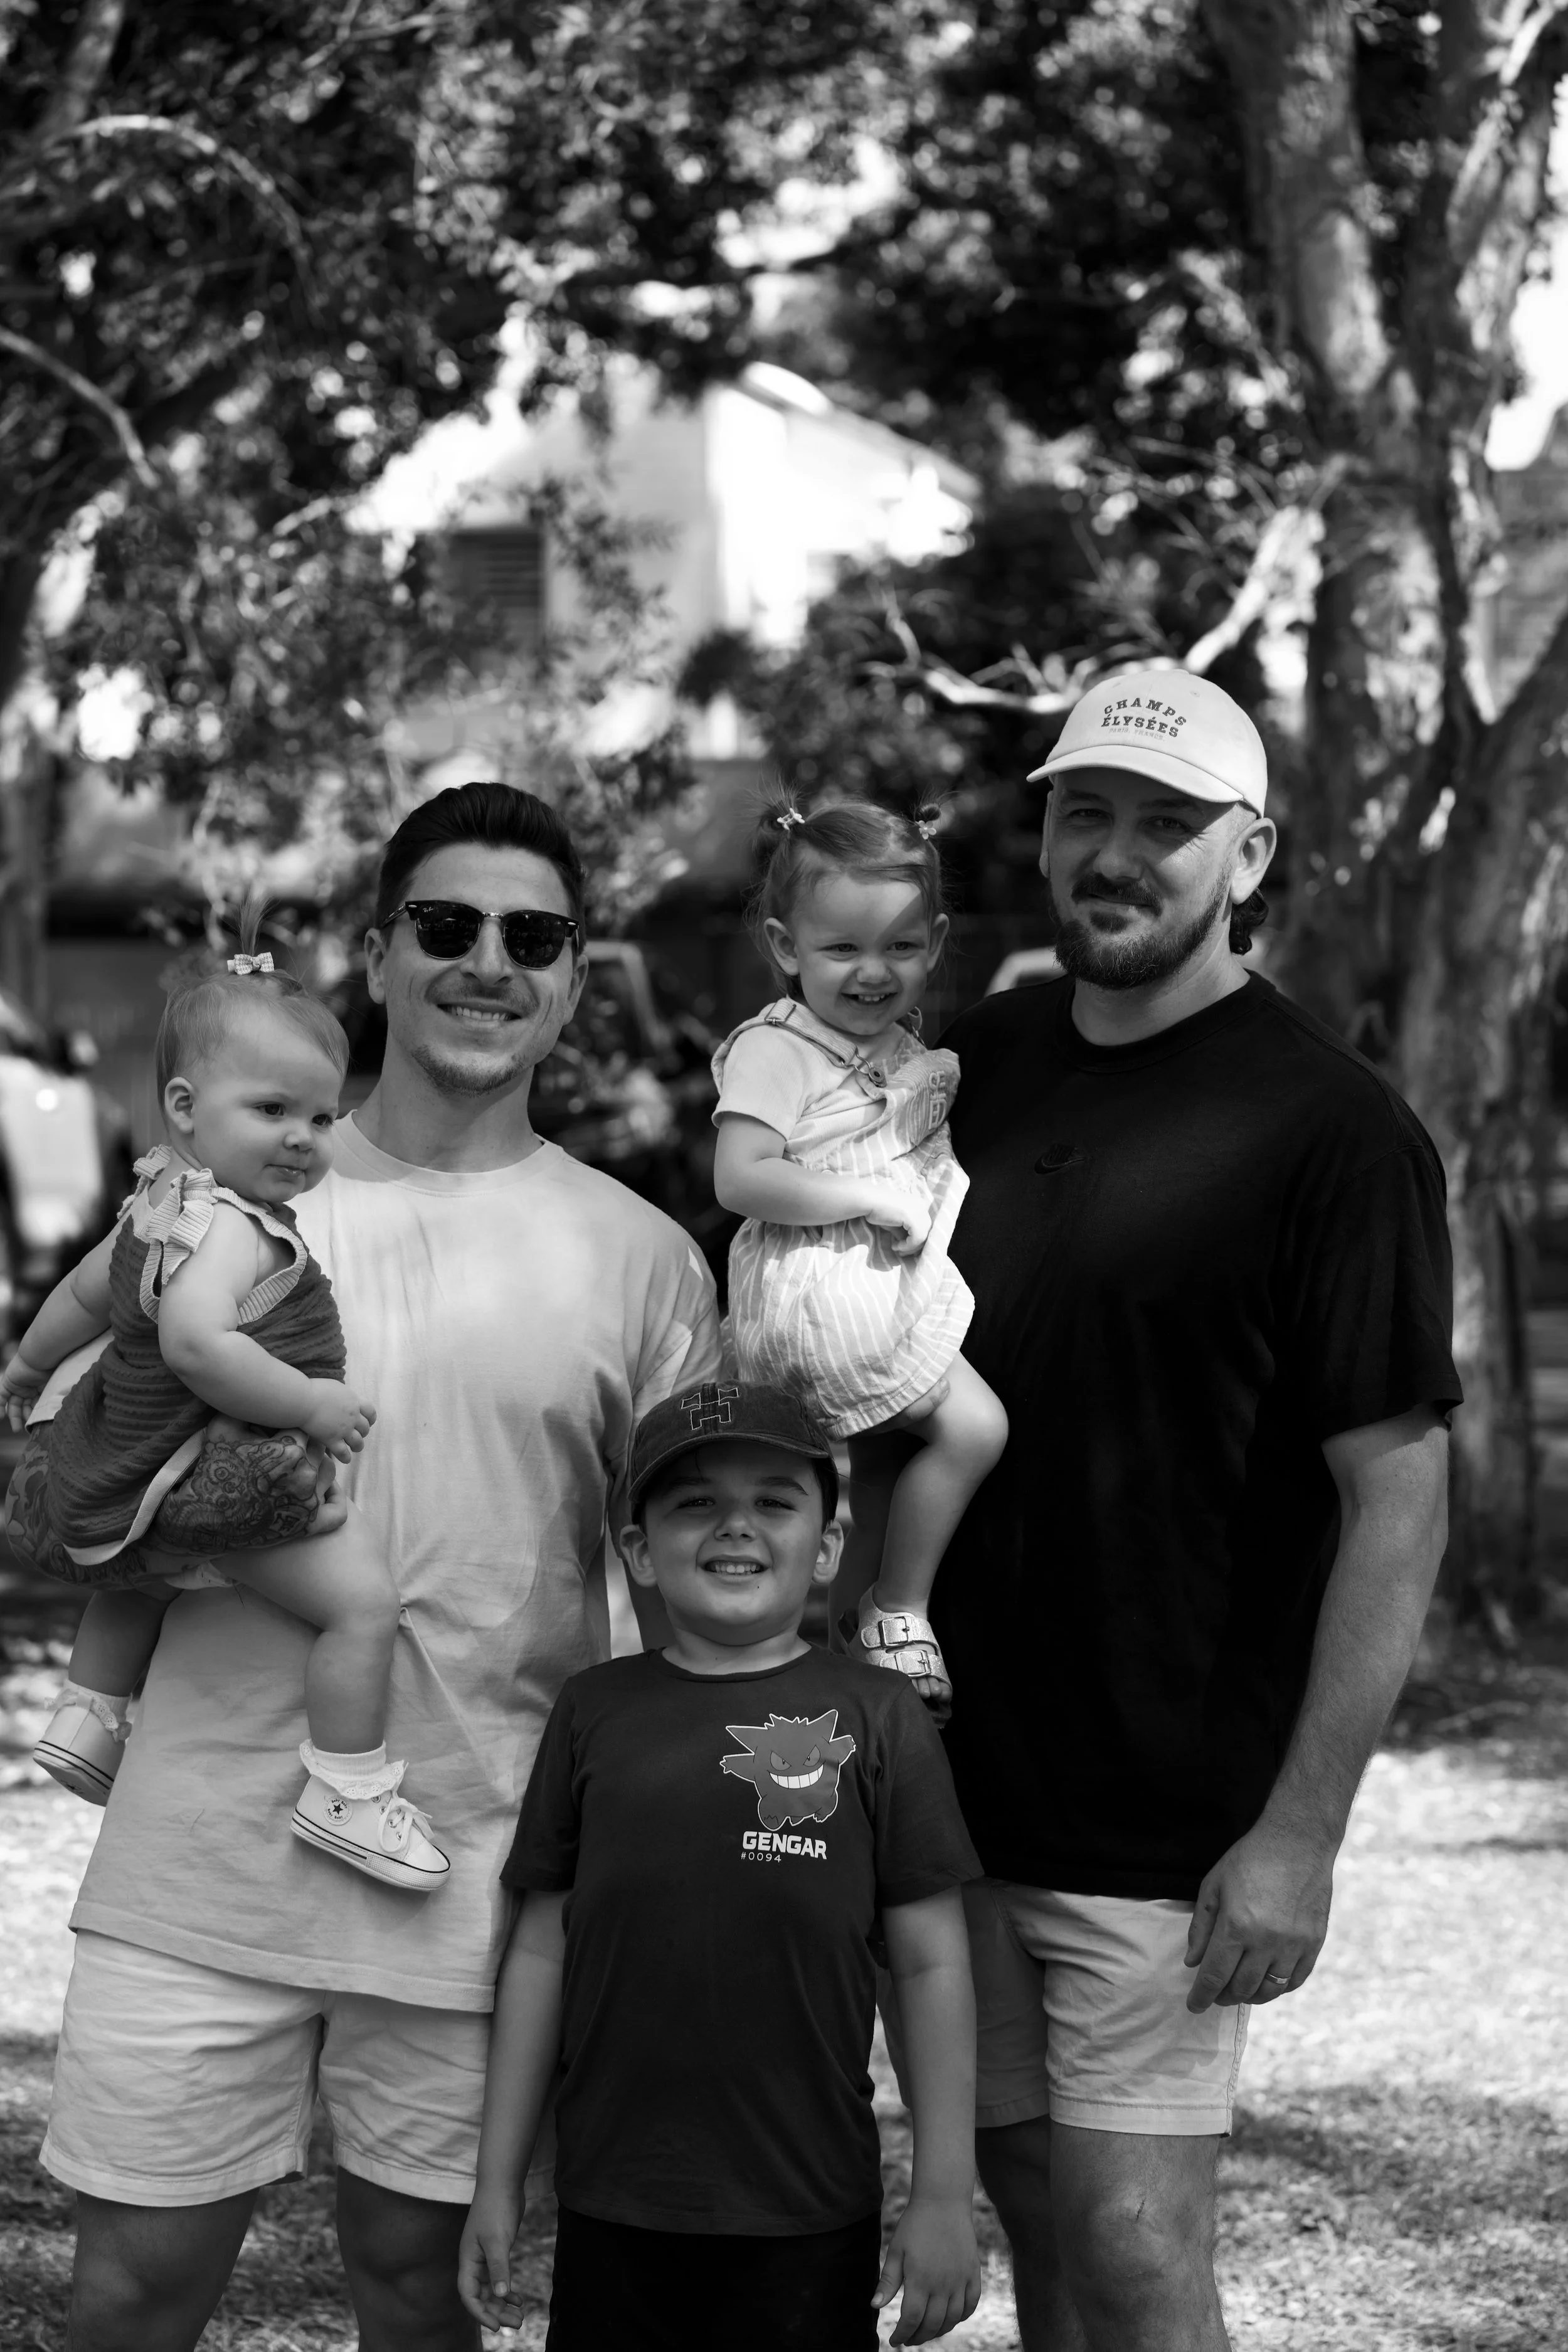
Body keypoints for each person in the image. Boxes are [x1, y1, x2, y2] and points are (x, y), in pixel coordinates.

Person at [32, 783, 721, 2352]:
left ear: (573, 973)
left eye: (532, 937)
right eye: (448, 924)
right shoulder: (225, 1194)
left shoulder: (641, 1258)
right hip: (201, 1861)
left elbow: (694, 1586)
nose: (488, 962)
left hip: (469, 1873)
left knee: (421, 2297)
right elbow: (69, 1447)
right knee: (129, 2299)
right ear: (376, 952)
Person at [898, 670, 1460, 2351]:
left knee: (1134, 2242)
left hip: (1168, 1817)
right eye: (1084, 812)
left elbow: (1396, 1500)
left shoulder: (1335, 1132)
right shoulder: (975, 1068)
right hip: (946, 1781)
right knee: (1031, 2205)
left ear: (1249, 854)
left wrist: (1299, 1832)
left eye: (1165, 822)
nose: (1114, 853)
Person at [459, 1378, 983, 2351]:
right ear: (637, 1550)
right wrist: (499, 2180)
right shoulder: (592, 1709)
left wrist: (945, 2193)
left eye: (774, 1501)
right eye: (695, 1501)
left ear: (827, 1546)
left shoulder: (879, 1715)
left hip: (808, 2207)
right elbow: (539, 1951)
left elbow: (932, 1965)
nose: (735, 1525)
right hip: (613, 2199)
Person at [3, 933, 447, 1890]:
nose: (304, 1136)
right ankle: (348, 1788)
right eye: (273, 1109)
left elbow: (84, 1291)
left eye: (321, 1115)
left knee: (143, 1572)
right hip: (213, 1465)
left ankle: (89, 1712)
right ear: (184, 1107)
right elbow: (198, 1346)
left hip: (133, 1461)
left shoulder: (156, 1203)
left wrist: (28, 1365)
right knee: (363, 1606)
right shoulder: (234, 1232)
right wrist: (313, 1402)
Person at [711, 800, 1007, 1720]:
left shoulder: (892, 1048)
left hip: (862, 1289)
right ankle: (899, 1608)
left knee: (867, 1486)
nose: (873, 972)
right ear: (785, 946)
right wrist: (870, 1198)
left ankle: (858, 1661)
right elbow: (740, 1176)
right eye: (842, 949)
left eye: (901, 947)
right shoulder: (779, 1049)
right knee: (975, 1429)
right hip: (828, 1299)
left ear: (937, 941)